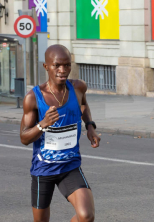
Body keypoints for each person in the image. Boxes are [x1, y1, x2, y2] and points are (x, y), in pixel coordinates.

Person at [20, 44, 100, 222]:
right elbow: (24, 137)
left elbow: (83, 105)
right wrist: (42, 124)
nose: (63, 70)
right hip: (44, 169)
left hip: (70, 166)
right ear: (46, 66)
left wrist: (90, 126)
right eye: (57, 65)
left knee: (86, 216)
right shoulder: (33, 98)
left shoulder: (78, 87)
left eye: (67, 65)